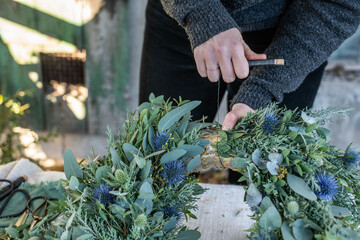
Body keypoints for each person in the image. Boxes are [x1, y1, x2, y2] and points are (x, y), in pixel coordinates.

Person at [139, 0, 360, 128]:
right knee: (160, 159)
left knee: (265, 187)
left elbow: (339, 4)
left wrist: (264, 89)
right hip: (182, 19)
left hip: (292, 34)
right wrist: (200, 13)